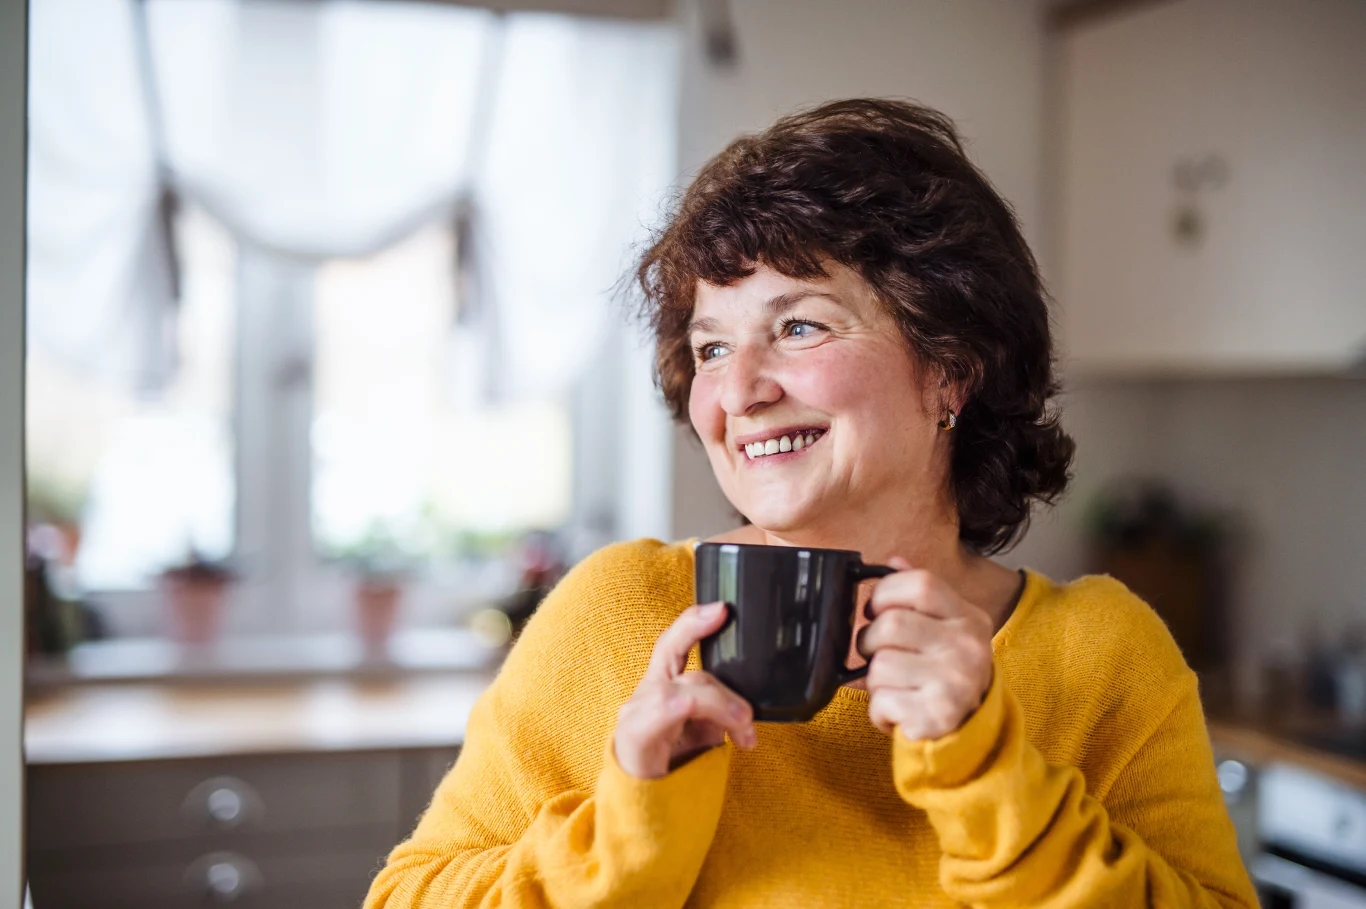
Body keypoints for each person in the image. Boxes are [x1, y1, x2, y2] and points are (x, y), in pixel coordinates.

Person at [363, 99, 1256, 908]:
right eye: (711, 347)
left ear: (950, 366)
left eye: (799, 326)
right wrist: (626, 822)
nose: (739, 390)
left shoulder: (1101, 655)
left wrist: (989, 771)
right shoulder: (616, 615)